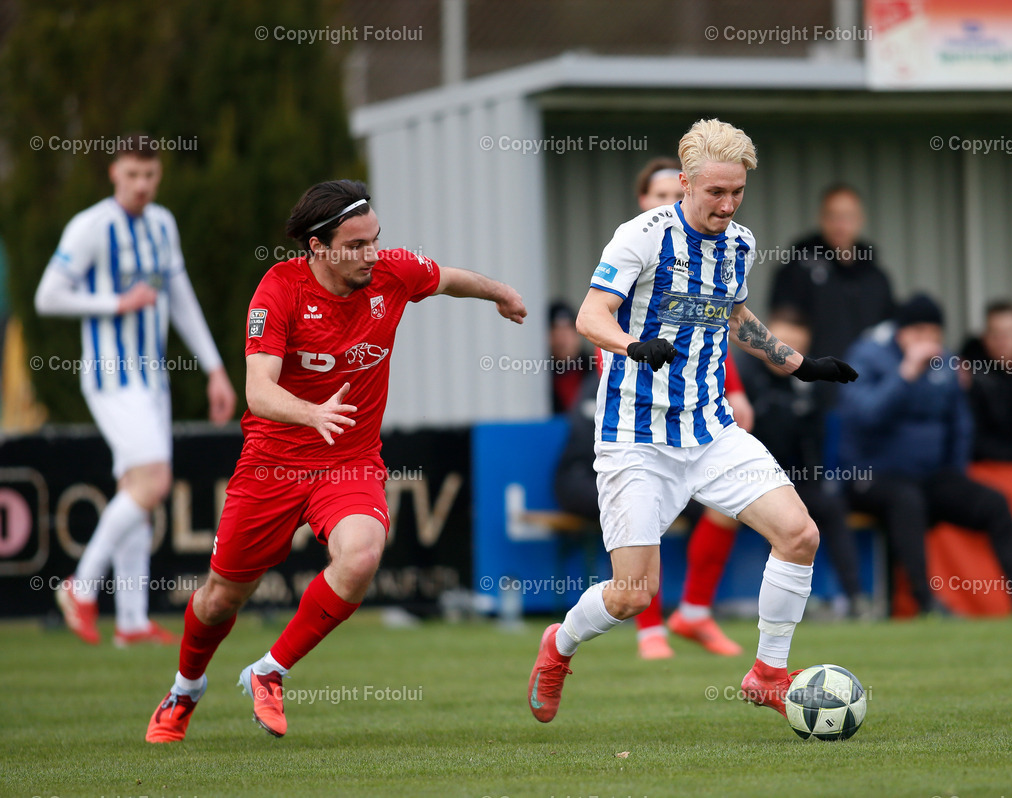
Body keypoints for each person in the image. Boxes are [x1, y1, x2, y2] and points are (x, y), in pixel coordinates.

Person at [145, 179, 526, 742]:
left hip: (349, 462)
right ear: (318, 248)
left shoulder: (392, 273)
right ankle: (185, 688)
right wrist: (311, 413)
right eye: (355, 245)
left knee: (362, 556)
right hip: (272, 463)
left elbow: (449, 279)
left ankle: (270, 671)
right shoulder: (279, 289)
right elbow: (259, 391)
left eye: (375, 240)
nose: (370, 254)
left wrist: (499, 292)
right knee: (221, 596)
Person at [528, 118, 858, 724]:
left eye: (737, 192)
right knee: (632, 596)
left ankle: (768, 673)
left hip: (710, 430)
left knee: (799, 534)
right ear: (685, 183)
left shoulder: (740, 243)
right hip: (635, 438)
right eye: (715, 193)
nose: (727, 205)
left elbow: (734, 316)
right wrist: (632, 346)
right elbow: (589, 315)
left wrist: (797, 363)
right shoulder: (640, 238)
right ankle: (559, 646)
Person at [35, 133, 236, 647]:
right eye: (132, 175)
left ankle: (129, 620)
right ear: (114, 173)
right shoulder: (91, 226)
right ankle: (80, 588)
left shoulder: (163, 224)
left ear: (159, 174)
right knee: (153, 482)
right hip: (111, 375)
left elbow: (182, 297)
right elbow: (48, 297)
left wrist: (214, 367)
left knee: (137, 491)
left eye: (150, 175)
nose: (142, 185)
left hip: (153, 377)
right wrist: (115, 303)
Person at [633, 157, 756, 659]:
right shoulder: (636, 252)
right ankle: (649, 629)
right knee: (647, 520)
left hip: (699, 415)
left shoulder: (719, 253)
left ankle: (695, 612)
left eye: (672, 196)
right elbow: (604, 330)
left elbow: (716, 328)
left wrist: (737, 389)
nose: (668, 205)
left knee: (738, 502)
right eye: (658, 197)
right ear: (645, 203)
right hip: (644, 416)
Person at [838, 294, 1012, 615]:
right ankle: (925, 604)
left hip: (929, 478)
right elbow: (866, 414)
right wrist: (905, 374)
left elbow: (959, 425)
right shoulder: (866, 356)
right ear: (901, 332)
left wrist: (955, 474)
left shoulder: (946, 363)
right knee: (907, 500)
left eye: (934, 334)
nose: (927, 341)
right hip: (869, 478)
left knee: (994, 504)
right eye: (919, 332)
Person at [736, 307, 868, 617]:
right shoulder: (741, 381)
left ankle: (855, 599)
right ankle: (698, 607)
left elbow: (818, 443)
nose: (785, 355)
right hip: (743, 482)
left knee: (829, 507)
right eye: (781, 345)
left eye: (796, 349)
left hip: (794, 483)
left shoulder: (810, 387)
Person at [769, 184, 894, 398]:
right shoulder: (799, 266)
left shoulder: (875, 276)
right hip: (815, 392)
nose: (840, 224)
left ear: (860, 219)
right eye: (833, 216)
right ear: (821, 218)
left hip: (867, 393)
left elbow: (890, 331)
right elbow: (781, 329)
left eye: (847, 216)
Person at [960, 300, 1012, 463]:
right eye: (996, 333)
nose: (1003, 341)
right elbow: (969, 435)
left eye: (1009, 332)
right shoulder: (969, 375)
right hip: (986, 464)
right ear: (985, 336)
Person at [549, 300, 594, 413]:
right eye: (556, 331)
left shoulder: (594, 369)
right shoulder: (541, 373)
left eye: (568, 330)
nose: (562, 338)